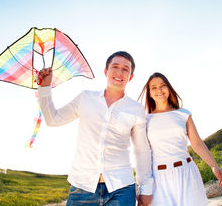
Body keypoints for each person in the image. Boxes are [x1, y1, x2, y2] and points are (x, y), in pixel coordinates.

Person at [37, 51, 153, 206]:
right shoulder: (86, 98)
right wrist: (45, 88)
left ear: (130, 77)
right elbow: (53, 119)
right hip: (82, 186)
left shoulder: (136, 109)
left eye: (125, 69)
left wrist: (146, 188)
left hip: (121, 189)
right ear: (106, 71)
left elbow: (141, 151)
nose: (119, 72)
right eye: (115, 66)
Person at [138, 72, 222, 206]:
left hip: (187, 172)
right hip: (159, 179)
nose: (159, 90)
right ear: (149, 93)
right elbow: (142, 153)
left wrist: (214, 166)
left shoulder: (183, 114)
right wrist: (144, 187)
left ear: (169, 88)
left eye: (163, 85)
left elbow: (197, 143)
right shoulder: (145, 120)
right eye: (154, 87)